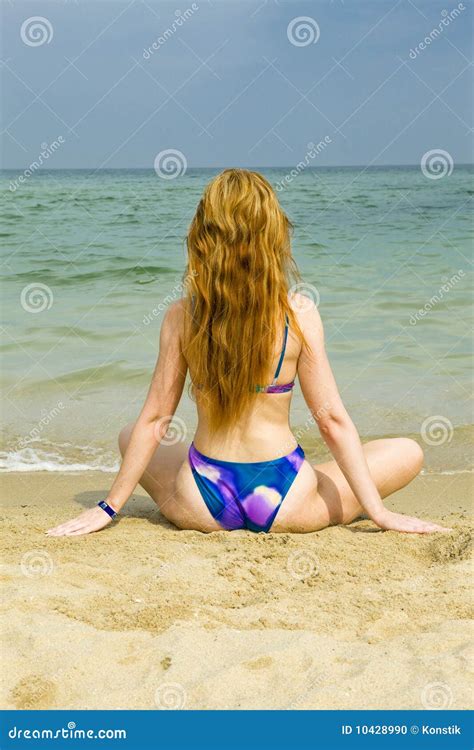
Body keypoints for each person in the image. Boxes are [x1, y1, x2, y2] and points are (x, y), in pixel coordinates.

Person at [47, 169, 450, 537]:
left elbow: (155, 419)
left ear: (203, 235)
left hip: (201, 501)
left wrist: (108, 506)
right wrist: (378, 511)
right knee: (407, 451)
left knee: (128, 435)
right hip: (286, 499)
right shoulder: (299, 314)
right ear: (274, 234)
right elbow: (330, 420)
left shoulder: (182, 315)